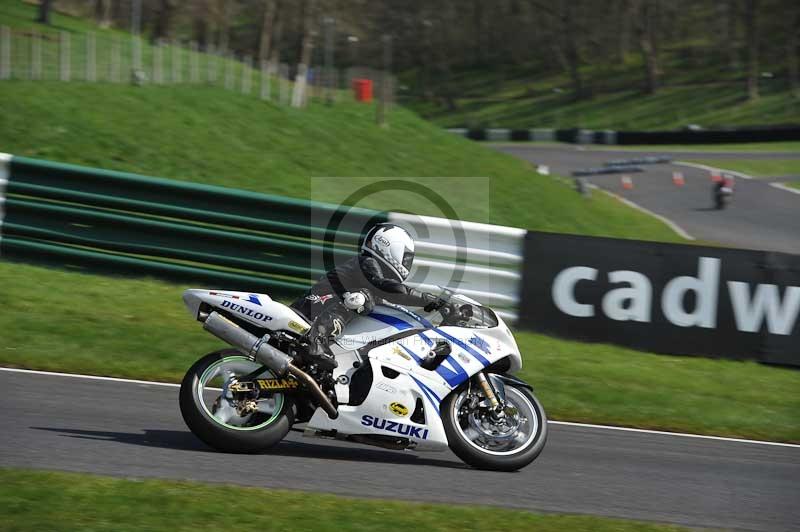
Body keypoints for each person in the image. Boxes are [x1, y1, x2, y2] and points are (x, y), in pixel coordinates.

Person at [291, 223, 443, 369]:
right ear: (389, 246)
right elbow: (389, 289)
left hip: (320, 308)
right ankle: (316, 341)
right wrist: (429, 300)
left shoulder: (367, 270)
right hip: (312, 308)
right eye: (406, 257)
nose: (407, 262)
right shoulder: (367, 262)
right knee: (362, 298)